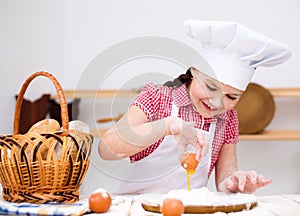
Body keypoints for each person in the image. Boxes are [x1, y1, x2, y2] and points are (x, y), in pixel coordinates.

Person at [98, 20, 291, 195]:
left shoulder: (228, 118)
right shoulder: (157, 98)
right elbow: (106, 149)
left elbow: (224, 177)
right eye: (210, 87)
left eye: (231, 96)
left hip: (189, 209)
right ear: (193, 73)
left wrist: (235, 182)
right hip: (136, 207)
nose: (217, 103)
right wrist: (168, 126)